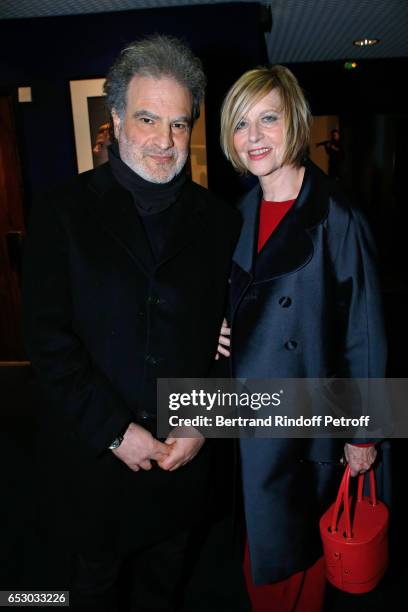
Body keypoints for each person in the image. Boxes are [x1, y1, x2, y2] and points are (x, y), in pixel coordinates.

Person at [22, 35, 242, 611]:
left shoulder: (221, 222)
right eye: (148, 119)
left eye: (178, 123)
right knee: (92, 590)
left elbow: (231, 337)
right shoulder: (59, 213)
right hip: (95, 464)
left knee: (164, 587)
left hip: (183, 463)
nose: (165, 141)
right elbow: (47, 342)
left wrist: (202, 425)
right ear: (117, 118)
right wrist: (117, 432)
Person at [218, 65, 386, 611]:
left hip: (306, 427)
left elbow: (365, 333)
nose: (254, 137)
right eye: (241, 123)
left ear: (295, 121)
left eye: (269, 118)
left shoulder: (336, 214)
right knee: (251, 564)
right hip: (241, 419)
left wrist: (364, 436)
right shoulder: (236, 214)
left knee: (292, 573)